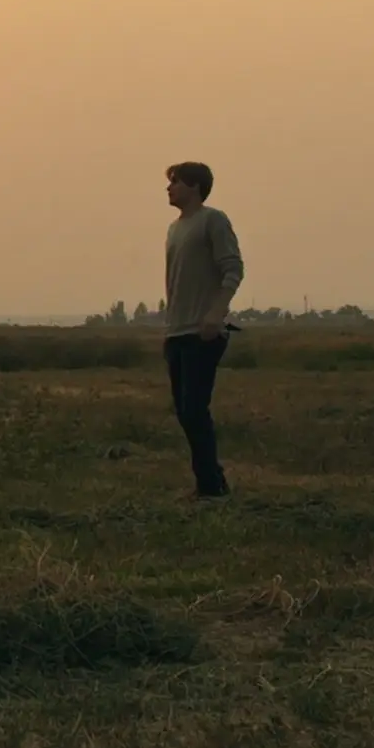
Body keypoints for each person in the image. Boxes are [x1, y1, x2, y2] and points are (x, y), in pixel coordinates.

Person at [161, 161, 245, 497]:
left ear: (195, 186)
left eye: (175, 182)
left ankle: (210, 486)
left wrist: (216, 314)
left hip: (203, 333)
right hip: (177, 333)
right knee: (185, 412)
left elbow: (233, 269)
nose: (169, 188)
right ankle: (211, 480)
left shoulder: (213, 220)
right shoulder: (173, 228)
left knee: (195, 409)